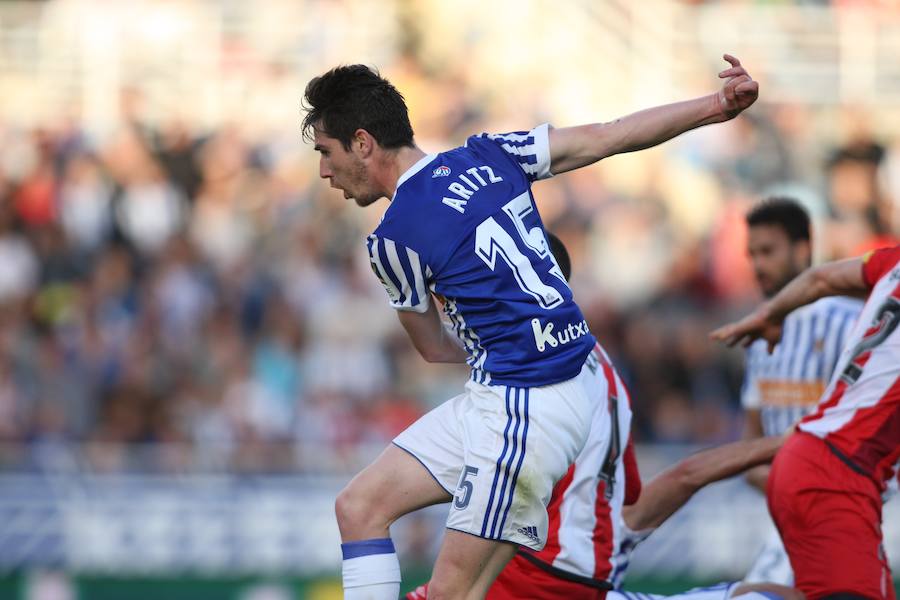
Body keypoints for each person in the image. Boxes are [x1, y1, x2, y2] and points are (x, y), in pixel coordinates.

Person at [303, 55, 758, 600]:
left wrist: (496, 340)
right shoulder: (489, 154)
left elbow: (430, 347)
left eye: (326, 153)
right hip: (525, 388)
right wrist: (716, 105)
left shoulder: (392, 239)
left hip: (527, 402)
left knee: (452, 594)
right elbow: (607, 137)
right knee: (359, 507)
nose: (324, 172)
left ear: (362, 142)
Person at [407, 234, 799, 600]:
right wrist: (783, 442)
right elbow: (669, 485)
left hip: (535, 568)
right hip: (585, 574)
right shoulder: (606, 370)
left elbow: (504, 460)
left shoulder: (535, 358)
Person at [712, 245, 900, 599]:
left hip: (812, 458)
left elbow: (819, 277)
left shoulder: (893, 261)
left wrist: (770, 312)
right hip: (839, 475)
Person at [738, 198, 862, 585]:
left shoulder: (850, 324)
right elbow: (751, 447)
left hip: (844, 521)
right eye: (752, 254)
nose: (757, 264)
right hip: (784, 523)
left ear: (803, 249)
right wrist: (785, 482)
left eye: (768, 251)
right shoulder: (759, 338)